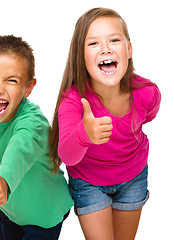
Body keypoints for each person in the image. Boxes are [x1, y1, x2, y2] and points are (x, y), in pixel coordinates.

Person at [49, 8, 161, 240]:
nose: (106, 49)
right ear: (81, 56)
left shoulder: (147, 93)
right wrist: (84, 134)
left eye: (114, 40)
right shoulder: (73, 101)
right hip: (89, 183)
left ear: (128, 49)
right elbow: (67, 155)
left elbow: (148, 116)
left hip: (133, 177)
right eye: (93, 44)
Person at [0, 35, 73, 240]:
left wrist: (4, 182)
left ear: (28, 88)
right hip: (11, 209)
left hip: (43, 214)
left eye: (11, 80)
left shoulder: (32, 124)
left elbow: (19, 149)